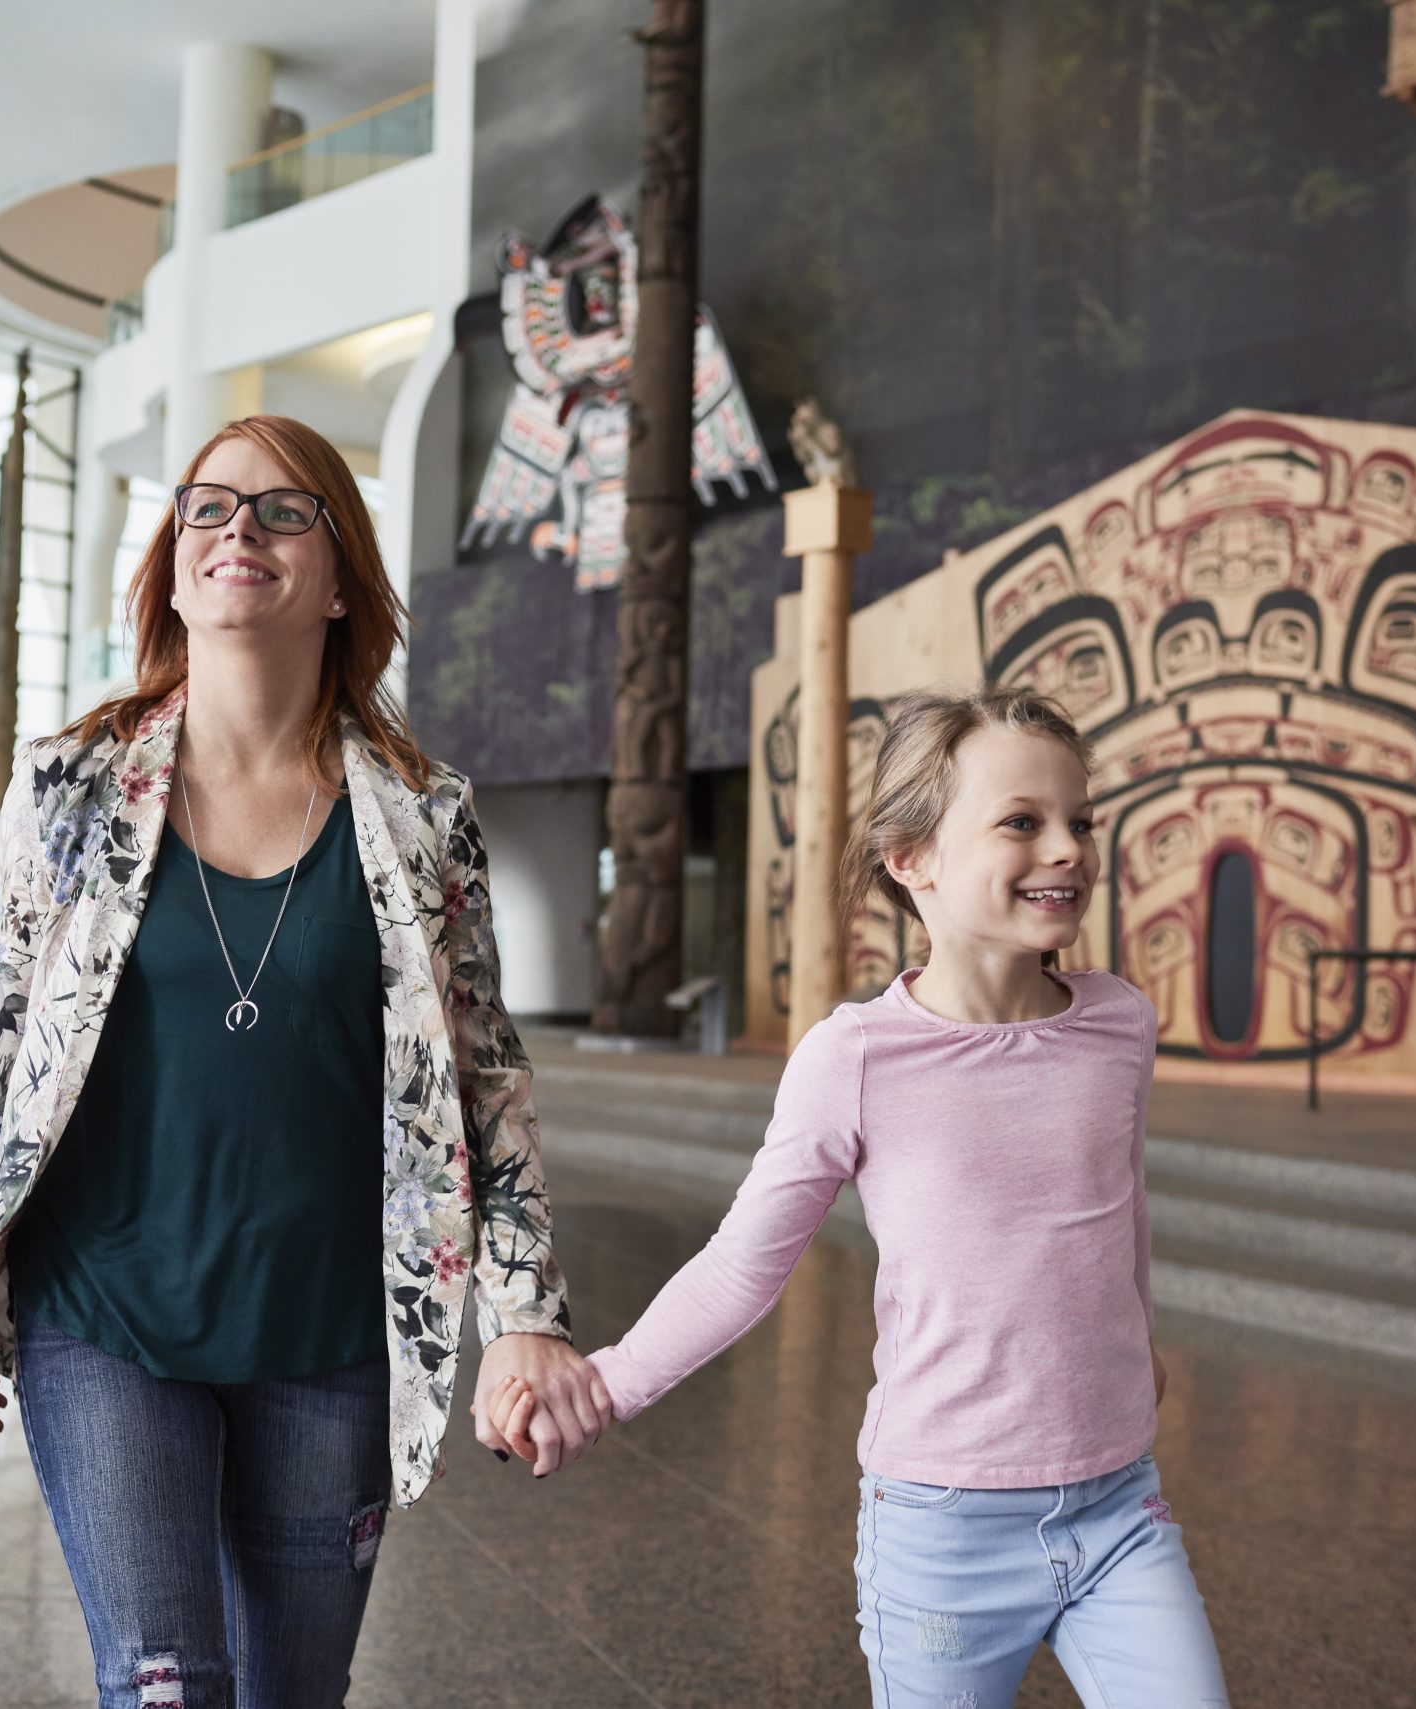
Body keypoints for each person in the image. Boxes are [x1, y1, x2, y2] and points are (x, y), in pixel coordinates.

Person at [0, 414, 614, 1709]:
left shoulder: (424, 821)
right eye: (207, 509)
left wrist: (526, 1314)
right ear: (169, 566)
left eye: (283, 512)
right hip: (105, 1312)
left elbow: (487, 1084)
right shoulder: (70, 789)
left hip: (328, 1332)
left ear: (338, 579)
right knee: (166, 1686)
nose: (238, 533)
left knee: (291, 1695)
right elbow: (8, 1065)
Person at [499, 686, 1227, 1708]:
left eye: (1080, 821)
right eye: (1022, 820)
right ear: (910, 856)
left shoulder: (1117, 1023)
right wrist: (604, 1385)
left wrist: (1136, 1331)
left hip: (1117, 1504)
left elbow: (1119, 1203)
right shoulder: (855, 1055)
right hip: (944, 1528)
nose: (1067, 847)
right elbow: (743, 1263)